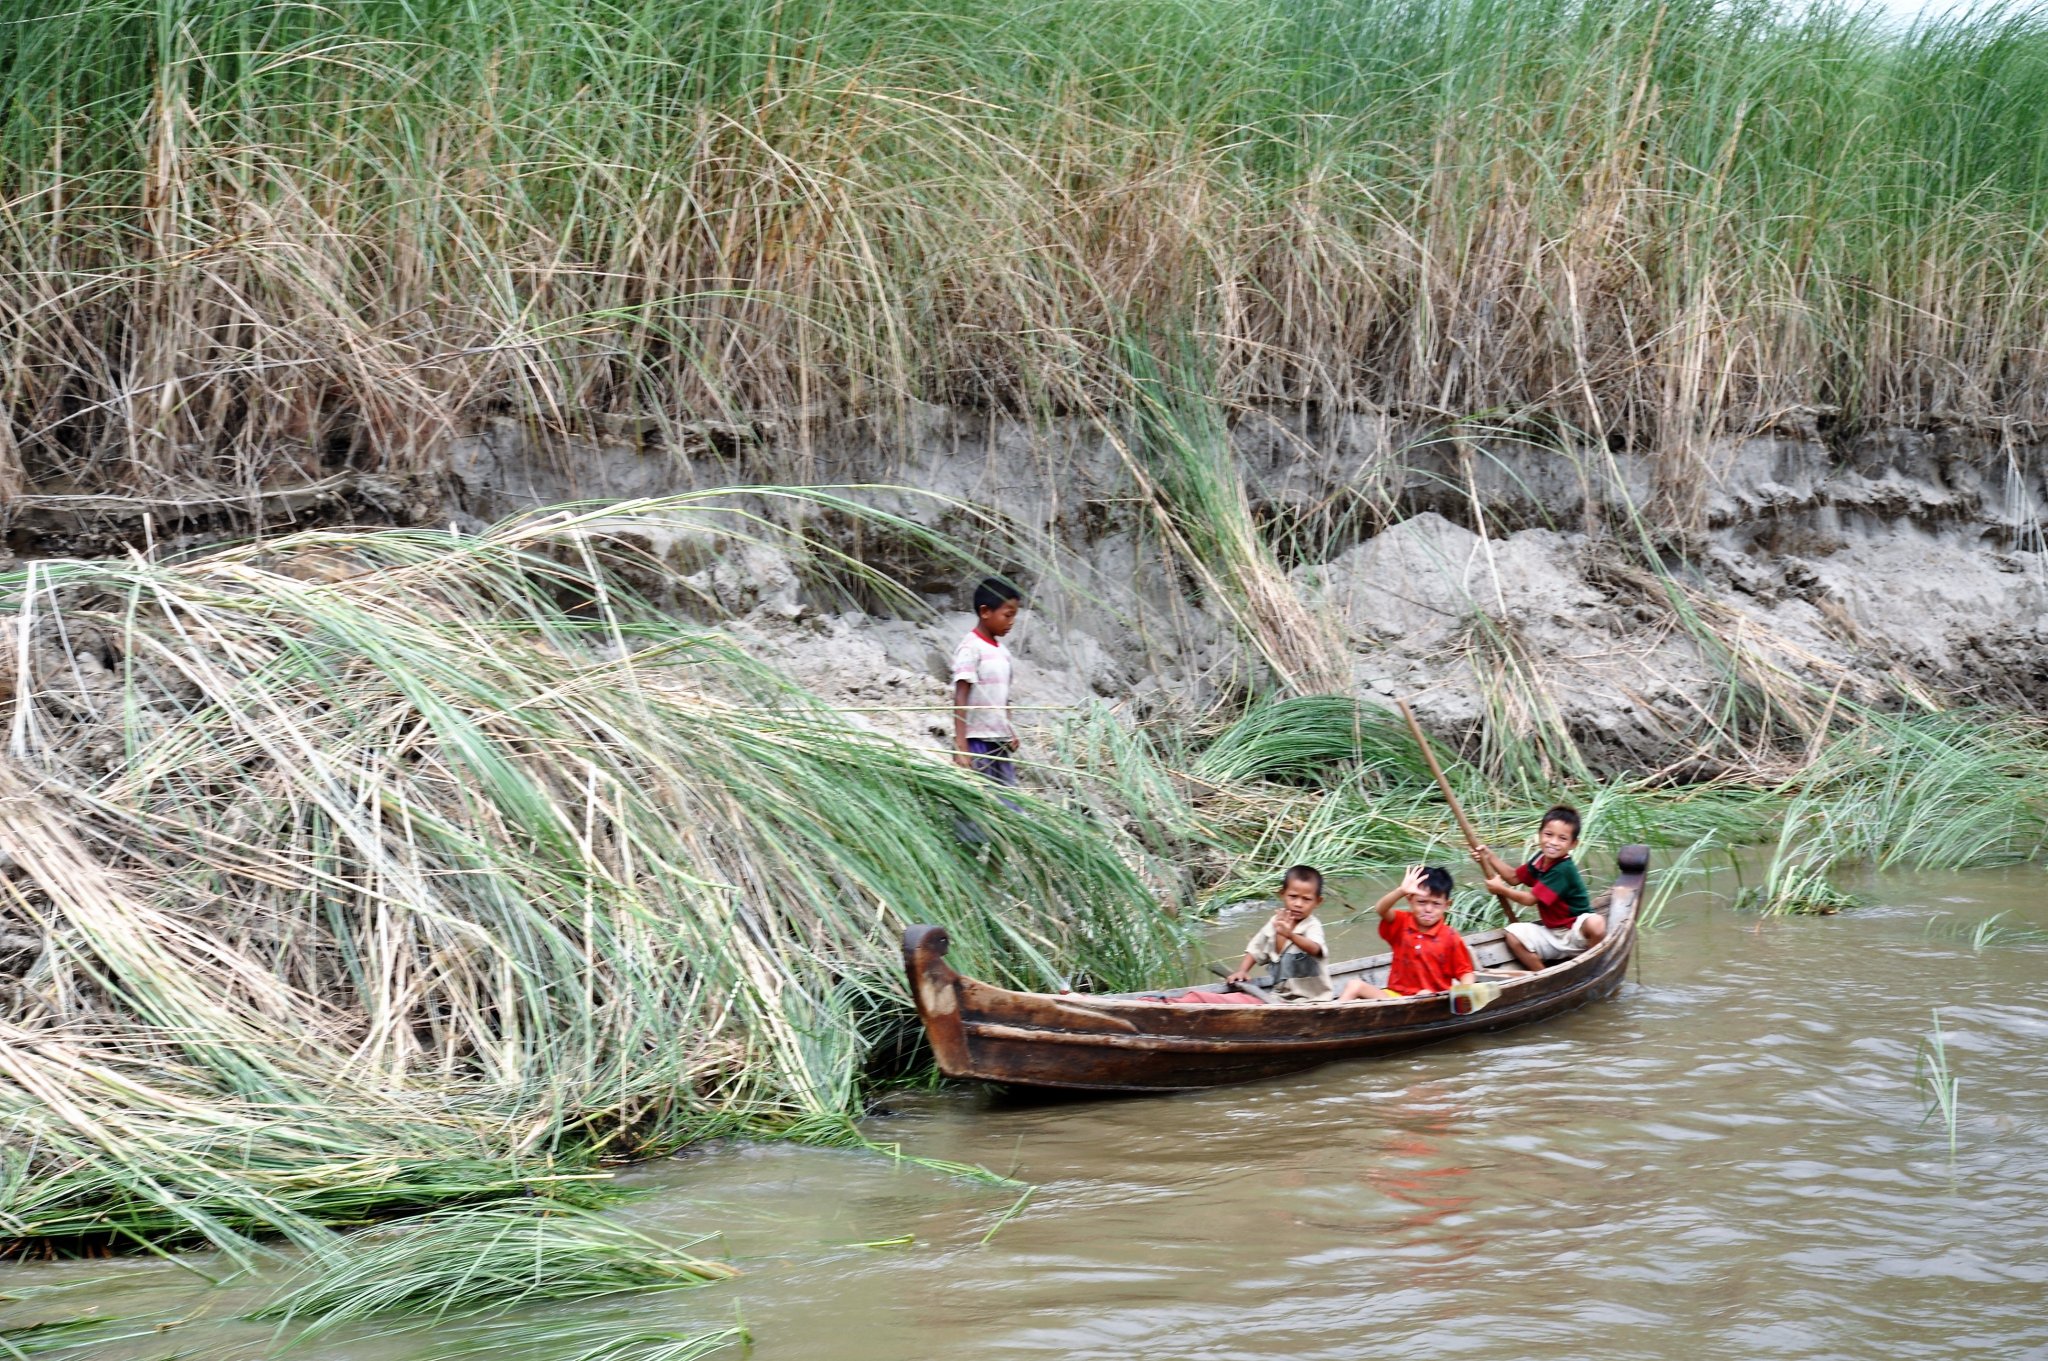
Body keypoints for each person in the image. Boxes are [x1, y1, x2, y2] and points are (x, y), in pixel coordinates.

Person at [1473, 804, 1603, 972]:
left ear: (1573, 844)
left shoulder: (1563, 869)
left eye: (1562, 838)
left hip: (1575, 934)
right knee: (1512, 935)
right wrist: (1488, 856)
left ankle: (1593, 963)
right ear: (1540, 834)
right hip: (1551, 933)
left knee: (1596, 922)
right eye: (1548, 835)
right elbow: (1513, 877)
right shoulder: (1540, 860)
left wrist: (1501, 889)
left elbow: (1530, 899)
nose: (1553, 843)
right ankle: (1542, 974)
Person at [1340, 864, 1476, 1000]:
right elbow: (1381, 909)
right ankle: (1331, 1017)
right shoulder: (1402, 922)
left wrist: (1463, 992)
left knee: (1424, 994)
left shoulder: (1450, 936)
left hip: (1434, 1000)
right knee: (1354, 985)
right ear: (1410, 900)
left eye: (1436, 904)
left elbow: (1465, 973)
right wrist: (1401, 890)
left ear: (1446, 905)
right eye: (1422, 902)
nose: (1428, 909)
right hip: (1394, 997)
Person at [1205, 864, 1333, 1003]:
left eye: (1306, 899)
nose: (1298, 904)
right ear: (1282, 894)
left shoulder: (1312, 925)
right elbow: (1256, 948)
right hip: (1280, 995)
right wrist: (1242, 971)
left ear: (1317, 902)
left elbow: (1315, 949)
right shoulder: (1276, 922)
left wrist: (1290, 935)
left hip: (1313, 999)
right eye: (1293, 896)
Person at [950, 577, 1022, 790]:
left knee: (1008, 801)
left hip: (999, 742)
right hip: (976, 742)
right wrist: (961, 745)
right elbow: (960, 696)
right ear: (985, 612)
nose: (1011, 622)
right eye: (1007, 615)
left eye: (1014, 616)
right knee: (979, 799)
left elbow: (1003, 699)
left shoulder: (1003, 653)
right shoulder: (971, 648)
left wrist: (1010, 730)